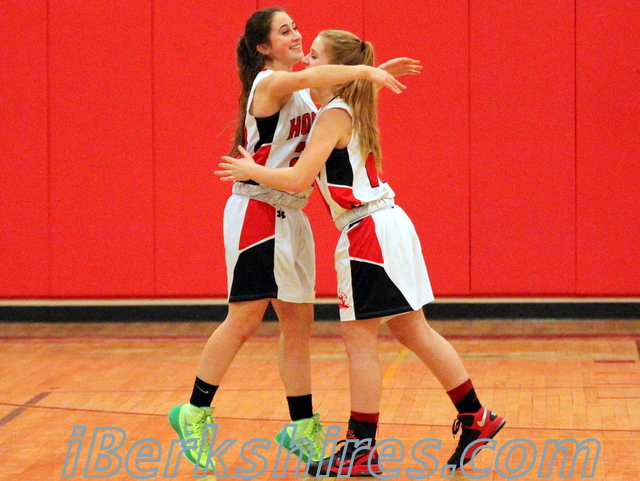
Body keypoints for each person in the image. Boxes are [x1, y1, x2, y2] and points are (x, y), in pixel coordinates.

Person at [216, 29, 506, 477]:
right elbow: (345, 84)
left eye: (315, 56)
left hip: (367, 231)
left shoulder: (332, 115)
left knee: (361, 342)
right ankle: (476, 416)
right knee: (414, 331)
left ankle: (361, 449)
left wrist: (250, 170)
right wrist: (372, 73)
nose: (308, 63)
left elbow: (297, 180)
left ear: (336, 68)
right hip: (390, 223)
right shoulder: (348, 104)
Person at [168, 8, 417, 472]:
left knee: (299, 326)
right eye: (285, 32)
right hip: (257, 210)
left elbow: (333, 93)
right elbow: (316, 76)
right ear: (264, 48)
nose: (297, 36)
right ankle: (194, 410)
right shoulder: (268, 84)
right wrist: (365, 70)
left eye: (296, 27)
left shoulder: (307, 93)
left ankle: (301, 426)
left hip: (292, 215)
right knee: (244, 319)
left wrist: (371, 75)